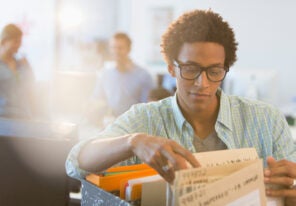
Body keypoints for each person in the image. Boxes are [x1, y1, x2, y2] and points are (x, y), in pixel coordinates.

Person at [66, 10, 296, 204]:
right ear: (171, 68)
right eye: (190, 69)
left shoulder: (266, 118)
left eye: (214, 71)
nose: (202, 83)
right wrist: (132, 142)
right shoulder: (145, 119)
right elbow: (76, 163)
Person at [91, 32, 154, 117]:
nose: (116, 51)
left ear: (129, 49)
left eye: (120, 48)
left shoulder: (144, 76)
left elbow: (147, 108)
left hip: (134, 126)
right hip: (110, 123)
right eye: (113, 47)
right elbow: (97, 100)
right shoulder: (105, 74)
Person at [0, 23, 37, 119]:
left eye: (20, 42)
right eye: (15, 41)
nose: (18, 45)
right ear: (4, 41)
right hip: (3, 115)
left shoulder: (21, 64)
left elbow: (31, 87)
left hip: (23, 115)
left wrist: (27, 68)